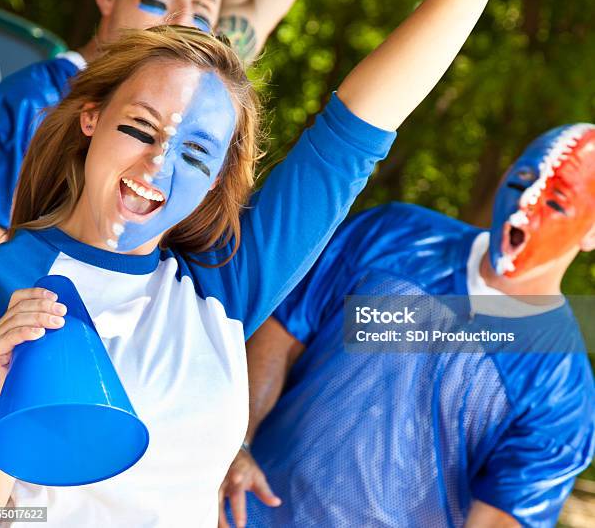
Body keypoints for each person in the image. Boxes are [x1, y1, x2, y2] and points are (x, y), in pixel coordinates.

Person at [0, 0, 526, 524]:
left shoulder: (221, 285)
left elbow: (358, 130)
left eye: (194, 153)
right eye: (140, 126)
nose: (158, 163)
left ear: (217, 179)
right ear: (91, 117)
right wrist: (5, 410)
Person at [219, 122, 595, 528]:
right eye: (522, 182)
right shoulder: (395, 234)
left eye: (555, 203)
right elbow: (283, 330)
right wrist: (233, 449)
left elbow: (500, 520)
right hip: (240, 515)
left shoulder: (563, 390)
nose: (526, 206)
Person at [0, 0, 336, 245]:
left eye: (202, 9)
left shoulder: (198, 86)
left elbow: (256, 2)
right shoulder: (24, 107)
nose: (181, 20)